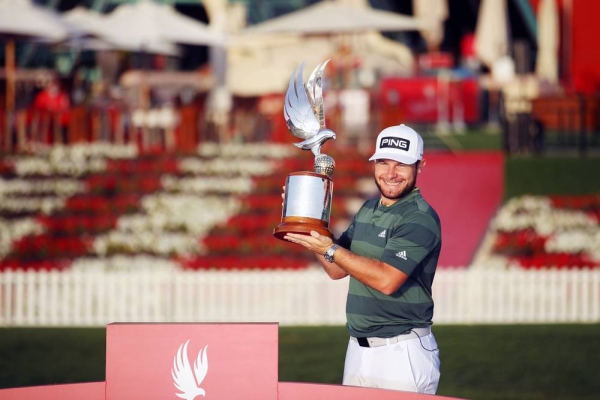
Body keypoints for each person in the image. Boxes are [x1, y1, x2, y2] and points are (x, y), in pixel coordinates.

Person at [284, 124, 442, 394]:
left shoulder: (419, 217)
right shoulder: (369, 208)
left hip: (402, 352)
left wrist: (329, 249)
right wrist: (306, 218)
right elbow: (336, 270)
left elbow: (387, 280)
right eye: (383, 162)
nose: (390, 174)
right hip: (358, 350)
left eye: (401, 165)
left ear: (420, 166)